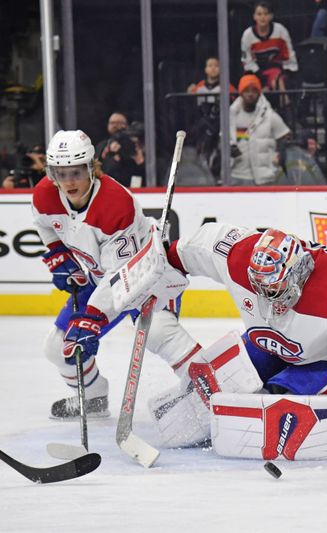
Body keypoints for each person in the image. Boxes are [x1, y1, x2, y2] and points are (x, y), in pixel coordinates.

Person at [110, 224, 327, 448]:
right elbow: (193, 247)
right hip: (267, 344)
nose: (267, 299)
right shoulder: (238, 258)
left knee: (280, 410)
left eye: (274, 290)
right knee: (203, 393)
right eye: (260, 289)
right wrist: (159, 265)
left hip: (324, 359)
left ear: (298, 274)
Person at [31, 130, 202, 419]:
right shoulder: (46, 194)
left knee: (158, 332)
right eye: (60, 173)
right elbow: (44, 223)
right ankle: (94, 397)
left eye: (76, 172)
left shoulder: (114, 204)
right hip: (103, 280)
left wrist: (92, 318)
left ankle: (212, 393)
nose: (69, 181)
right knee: (57, 347)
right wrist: (58, 253)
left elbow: (120, 276)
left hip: (146, 276)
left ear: (91, 169)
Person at [229, 74, 291, 186]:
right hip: (237, 175)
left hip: (264, 178)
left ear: (259, 93)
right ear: (241, 93)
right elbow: (223, 139)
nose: (250, 94)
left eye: (254, 91)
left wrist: (279, 156)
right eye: (246, 91)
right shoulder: (231, 116)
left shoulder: (270, 115)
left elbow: (285, 136)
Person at [240, 1, 299, 94]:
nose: (262, 17)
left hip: (279, 70)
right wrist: (262, 79)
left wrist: (287, 71)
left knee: (278, 80)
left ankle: (285, 106)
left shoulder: (280, 31)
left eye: (266, 14)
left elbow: (289, 55)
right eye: (259, 14)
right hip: (256, 73)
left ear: (271, 16)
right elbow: (247, 61)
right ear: (254, 16)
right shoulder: (247, 35)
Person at [95, 112, 145, 188]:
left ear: (127, 126)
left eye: (119, 123)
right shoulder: (103, 146)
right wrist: (114, 156)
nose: (115, 125)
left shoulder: (135, 144)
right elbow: (99, 172)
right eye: (112, 123)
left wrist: (140, 160)